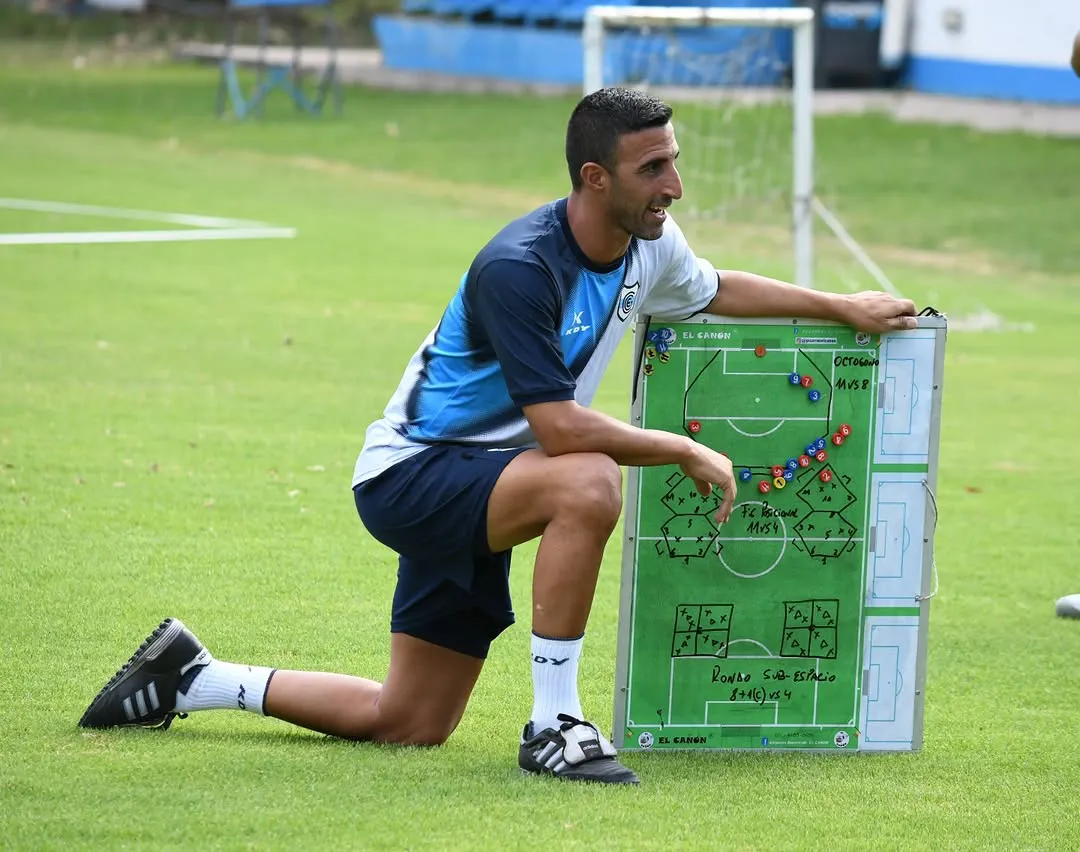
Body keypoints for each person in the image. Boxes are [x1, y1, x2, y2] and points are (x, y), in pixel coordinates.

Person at [78, 87, 918, 785]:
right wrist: (682, 446)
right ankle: (556, 725)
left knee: (408, 721)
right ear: (595, 177)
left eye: (674, 160)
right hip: (414, 479)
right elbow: (557, 429)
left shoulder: (646, 245)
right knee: (587, 478)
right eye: (653, 167)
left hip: (490, 486)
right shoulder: (520, 266)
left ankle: (195, 678)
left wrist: (840, 306)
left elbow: (713, 289)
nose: (676, 184)